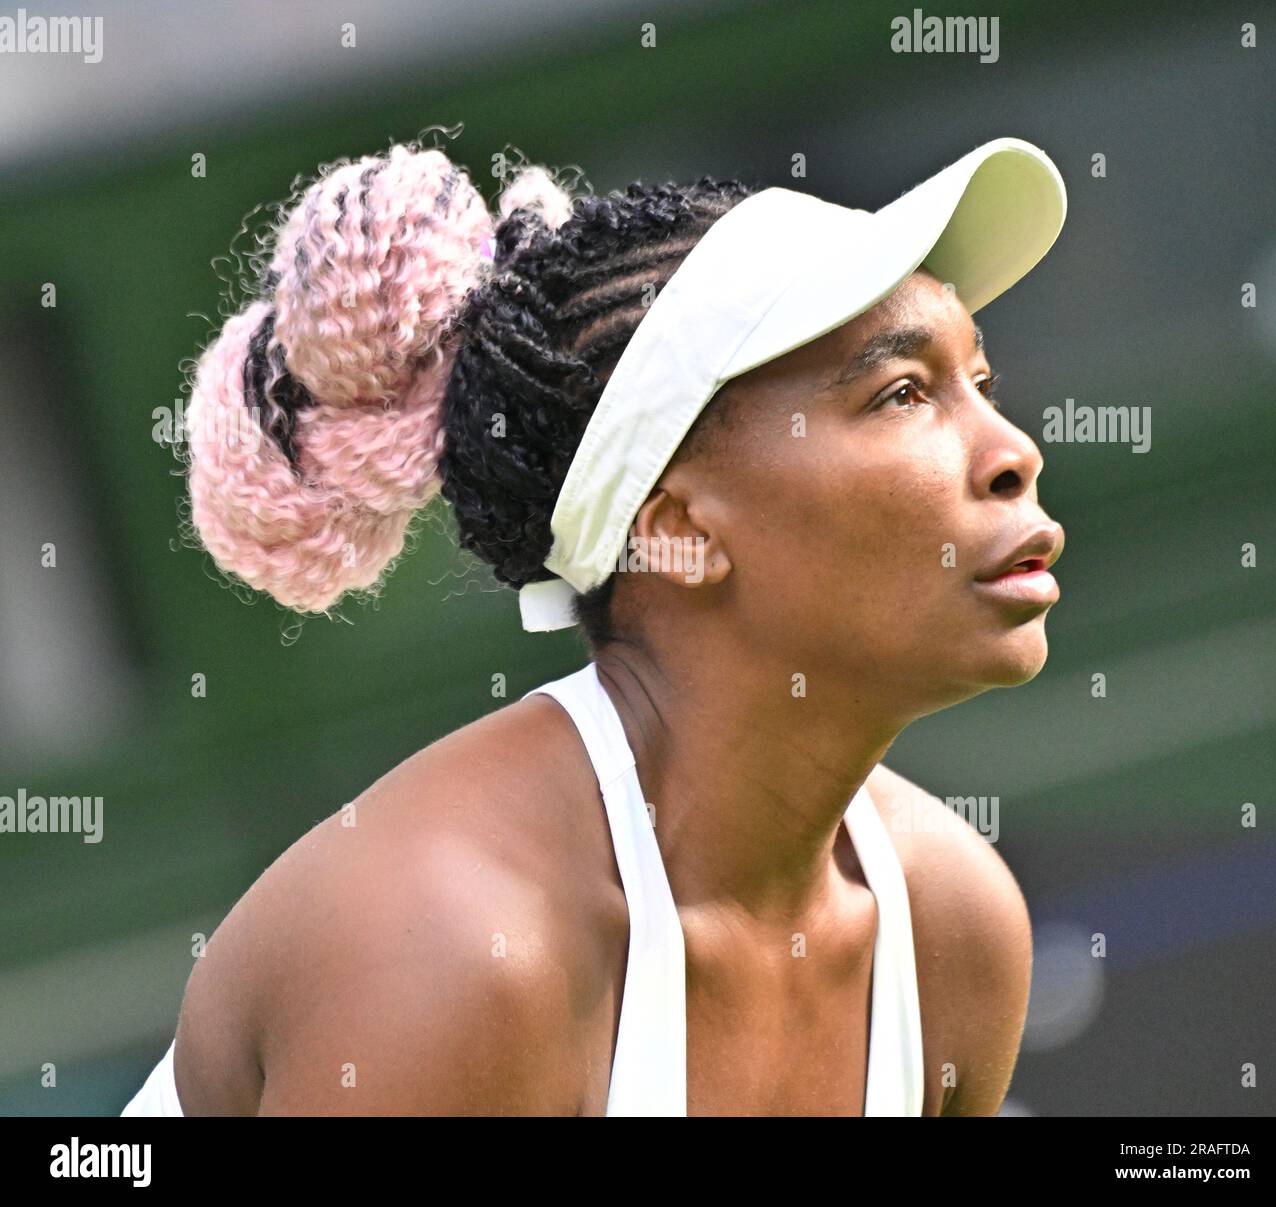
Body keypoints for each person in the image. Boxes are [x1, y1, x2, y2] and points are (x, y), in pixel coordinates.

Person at [123, 133, 1068, 1116]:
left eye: (982, 384)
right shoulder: (457, 953)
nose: (1013, 451)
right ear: (680, 532)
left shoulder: (955, 927)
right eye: (902, 393)